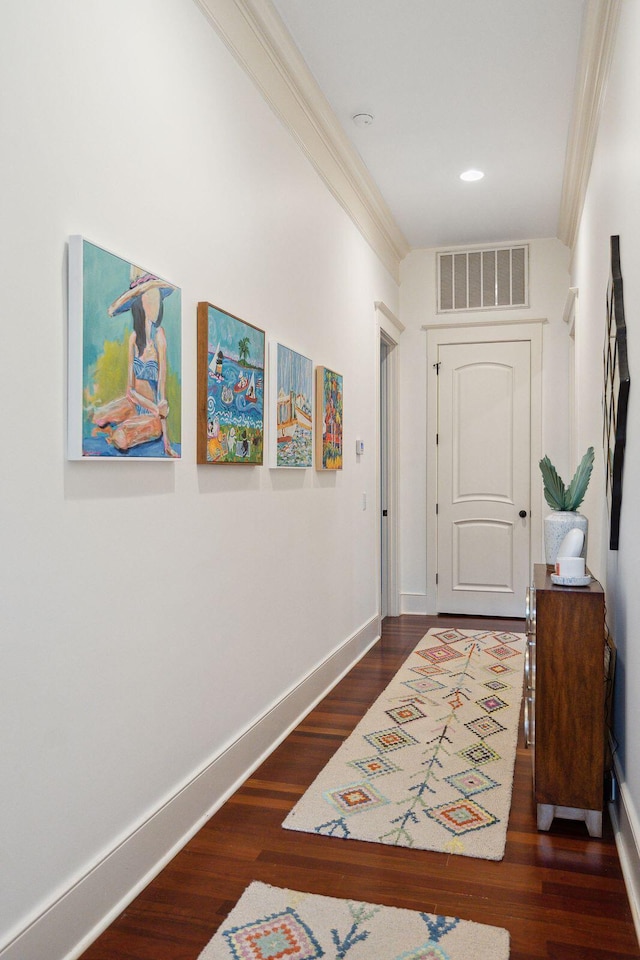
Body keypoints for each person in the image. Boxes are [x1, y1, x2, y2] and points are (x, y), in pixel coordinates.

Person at [92, 266, 178, 457]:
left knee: (122, 437)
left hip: (153, 415)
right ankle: (112, 427)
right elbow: (130, 391)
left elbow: (162, 398)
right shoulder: (133, 339)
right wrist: (152, 406)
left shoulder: (160, 337)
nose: (156, 303)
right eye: (151, 297)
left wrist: (167, 445)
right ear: (140, 302)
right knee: (98, 416)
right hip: (134, 405)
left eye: (158, 298)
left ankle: (119, 430)